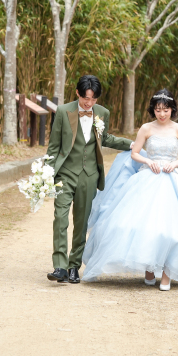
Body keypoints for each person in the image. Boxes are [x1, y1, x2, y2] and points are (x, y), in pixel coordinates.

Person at [81, 89, 178, 290]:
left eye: (166, 110)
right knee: (143, 225)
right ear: (153, 110)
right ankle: (149, 267)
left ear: (172, 110)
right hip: (149, 176)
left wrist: (174, 164)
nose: (162, 114)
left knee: (172, 227)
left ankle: (167, 274)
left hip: (172, 180)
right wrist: (149, 161)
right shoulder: (146, 128)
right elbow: (134, 153)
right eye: (158, 110)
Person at [45, 75, 133, 284]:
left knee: (82, 222)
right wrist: (47, 173)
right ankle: (60, 266)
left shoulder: (102, 113)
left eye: (93, 99)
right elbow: (54, 146)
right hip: (65, 173)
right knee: (60, 217)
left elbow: (105, 138)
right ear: (78, 93)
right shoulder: (63, 111)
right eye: (86, 98)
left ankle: (74, 266)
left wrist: (131, 144)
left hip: (90, 175)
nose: (89, 103)